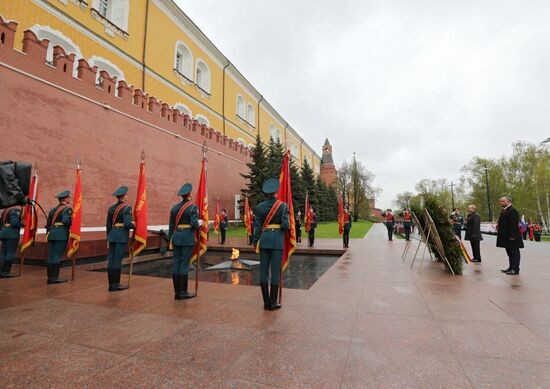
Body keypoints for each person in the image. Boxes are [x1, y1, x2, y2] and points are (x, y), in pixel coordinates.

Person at [252, 178, 289, 311]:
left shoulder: (260, 207)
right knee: (275, 273)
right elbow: (286, 226)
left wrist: (255, 242)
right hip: (277, 241)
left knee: (263, 272)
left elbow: (257, 226)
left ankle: (266, 302)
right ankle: (273, 303)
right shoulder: (283, 206)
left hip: (264, 240)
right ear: (276, 192)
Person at [168, 183, 201, 300]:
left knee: (176, 263)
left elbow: (171, 226)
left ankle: (177, 292)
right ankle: (183, 292)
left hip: (176, 237)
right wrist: (199, 223)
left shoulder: (174, 208)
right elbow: (194, 224)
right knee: (184, 264)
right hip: (187, 238)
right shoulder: (193, 207)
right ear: (189, 195)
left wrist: (170, 238)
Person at [106, 186, 134, 291]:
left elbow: (108, 225)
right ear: (124, 196)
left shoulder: (111, 208)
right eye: (126, 195)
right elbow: (127, 224)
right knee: (117, 260)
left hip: (112, 235)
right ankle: (116, 284)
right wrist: (134, 225)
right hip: (121, 235)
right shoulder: (127, 208)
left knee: (112, 260)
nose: (127, 196)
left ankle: (111, 284)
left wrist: (108, 237)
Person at [45, 190, 72, 284]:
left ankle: (50, 277)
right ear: (64, 199)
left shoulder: (52, 210)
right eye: (68, 197)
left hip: (51, 234)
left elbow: (48, 225)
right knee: (57, 256)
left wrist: (48, 234)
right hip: (61, 234)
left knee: (51, 256)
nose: (69, 199)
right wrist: (72, 222)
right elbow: (66, 221)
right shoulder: (67, 209)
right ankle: (54, 278)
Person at [497, 196, 524, 275]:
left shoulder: (513, 211)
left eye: (502, 201)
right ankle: (511, 267)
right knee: (509, 252)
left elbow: (513, 225)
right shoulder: (504, 210)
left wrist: (512, 235)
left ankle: (515, 269)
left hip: (512, 237)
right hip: (506, 236)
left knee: (514, 252)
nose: (500, 203)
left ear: (508, 202)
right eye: (500, 201)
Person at [0, 205, 23, 278]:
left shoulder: (5, 211)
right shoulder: (15, 211)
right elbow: (14, 223)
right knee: (10, 253)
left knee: (3, 252)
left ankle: (1, 271)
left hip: (4, 233)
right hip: (12, 234)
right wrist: (23, 224)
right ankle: (6, 272)